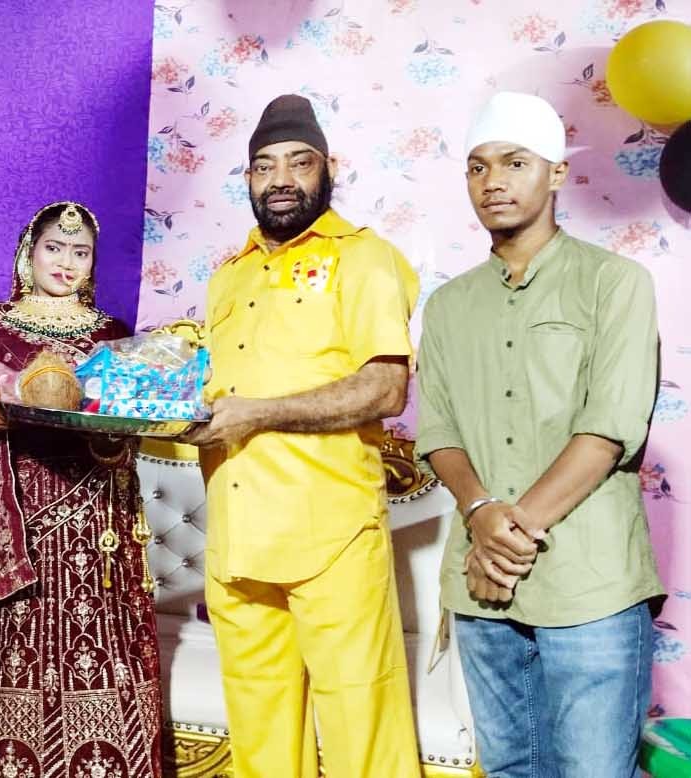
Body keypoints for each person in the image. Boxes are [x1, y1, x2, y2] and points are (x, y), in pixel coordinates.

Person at [417, 92, 662, 778]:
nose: (492, 181)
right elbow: (437, 430)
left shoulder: (615, 283)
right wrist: (478, 511)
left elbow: (608, 428)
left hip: (589, 584)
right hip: (481, 590)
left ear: (555, 173)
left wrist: (505, 535)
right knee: (509, 769)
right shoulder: (448, 305)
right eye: (476, 167)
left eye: (514, 162)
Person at [181, 94, 422, 777]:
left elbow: (385, 388)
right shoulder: (228, 276)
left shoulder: (364, 258)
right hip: (236, 537)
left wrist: (259, 413)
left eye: (298, 162)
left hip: (331, 536)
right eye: (264, 166)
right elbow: (221, 393)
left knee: (361, 735)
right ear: (248, 179)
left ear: (328, 169)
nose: (280, 179)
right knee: (260, 738)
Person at [0, 201, 160, 778]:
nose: (66, 262)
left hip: (97, 518)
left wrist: (110, 437)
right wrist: (2, 404)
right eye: (54, 247)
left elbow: (124, 432)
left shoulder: (111, 334)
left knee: (105, 639)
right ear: (29, 253)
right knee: (21, 640)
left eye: (80, 252)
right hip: (19, 511)